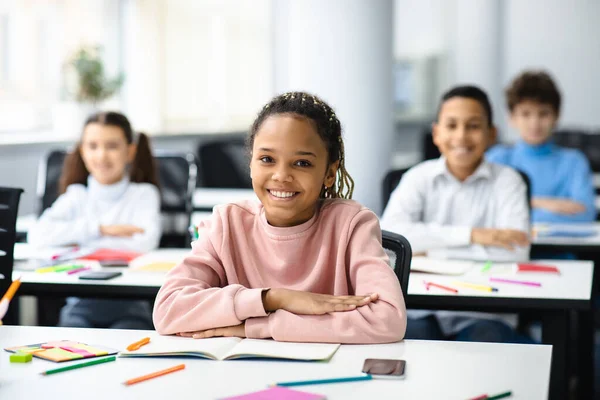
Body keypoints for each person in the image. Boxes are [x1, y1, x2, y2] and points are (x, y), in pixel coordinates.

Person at [153, 92, 406, 343]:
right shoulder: (226, 223)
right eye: (267, 159)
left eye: (302, 163)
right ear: (251, 163)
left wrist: (259, 326)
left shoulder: (352, 225)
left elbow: (388, 320)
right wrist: (273, 298)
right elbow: (167, 310)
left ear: (329, 173)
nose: (281, 175)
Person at [381, 85, 532, 342]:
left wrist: (430, 250)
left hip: (485, 311)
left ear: (491, 134)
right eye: (451, 126)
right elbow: (392, 241)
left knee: (486, 346)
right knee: (401, 347)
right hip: (420, 308)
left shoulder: (509, 181)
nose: (461, 136)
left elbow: (516, 249)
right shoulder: (417, 177)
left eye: (473, 126)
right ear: (437, 133)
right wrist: (474, 235)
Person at [28, 111, 161, 329]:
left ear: (130, 151)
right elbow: (38, 236)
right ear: (82, 151)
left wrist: (77, 243)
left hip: (131, 308)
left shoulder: (144, 194)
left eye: (112, 146)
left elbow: (143, 242)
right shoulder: (76, 195)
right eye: (92, 146)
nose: (101, 156)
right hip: (79, 307)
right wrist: (102, 229)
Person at [487, 70, 595, 223]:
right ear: (512, 118)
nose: (535, 123)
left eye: (543, 114)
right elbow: (487, 210)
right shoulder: (497, 158)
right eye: (526, 114)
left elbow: (585, 216)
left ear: (556, 116)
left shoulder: (574, 162)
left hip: (562, 247)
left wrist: (518, 207)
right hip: (509, 246)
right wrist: (542, 203)